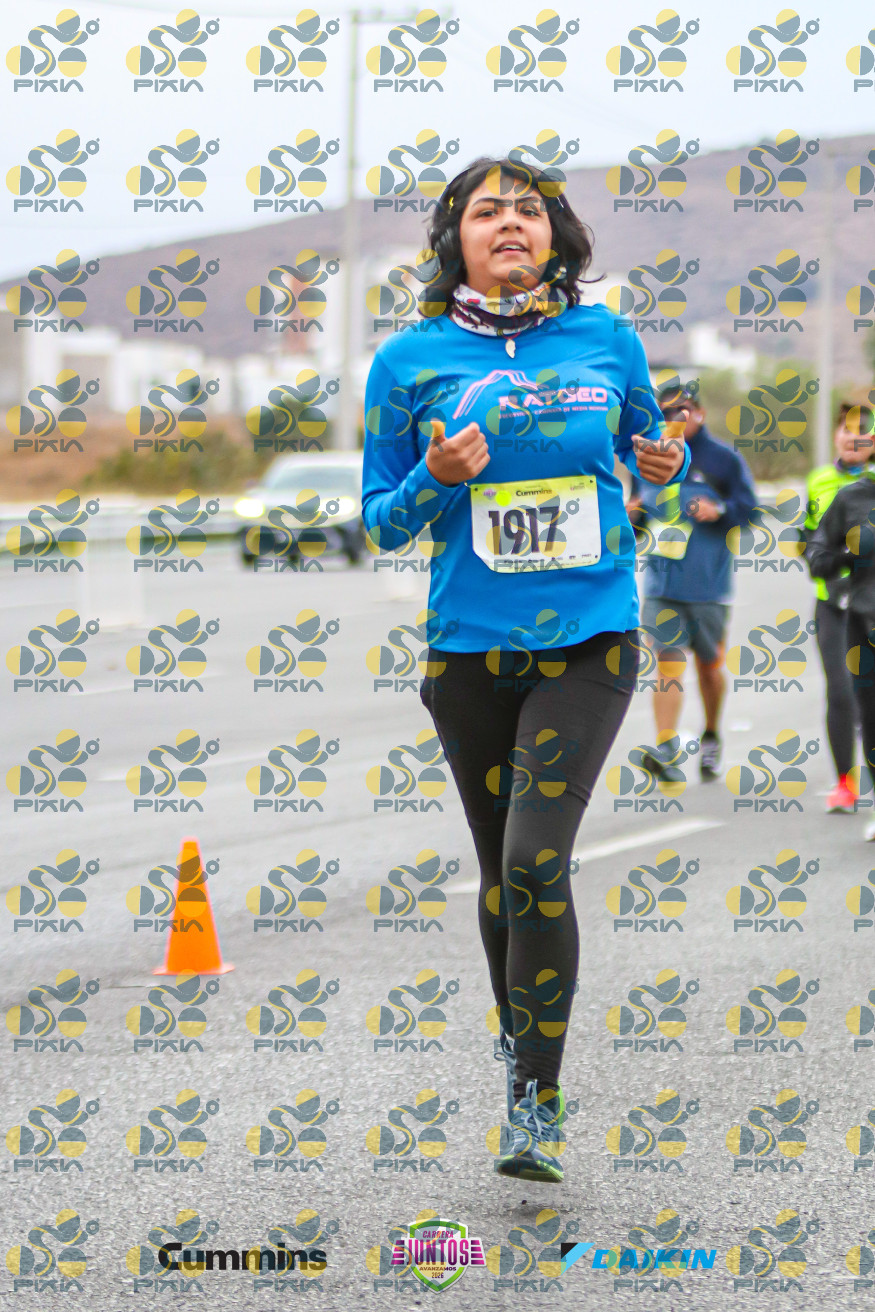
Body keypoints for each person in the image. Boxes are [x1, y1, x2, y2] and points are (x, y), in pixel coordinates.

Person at [361, 155, 690, 1184]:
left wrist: (664, 465)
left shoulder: (607, 340)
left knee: (537, 860)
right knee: (504, 872)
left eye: (529, 210)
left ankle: (536, 1104)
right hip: (470, 650)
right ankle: (522, 1070)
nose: (510, 222)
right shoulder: (406, 362)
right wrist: (433, 475)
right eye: (485, 211)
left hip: (588, 639)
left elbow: (648, 453)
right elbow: (380, 522)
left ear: (557, 236)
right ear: (451, 238)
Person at [626, 386, 757, 782]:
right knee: (668, 663)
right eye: (666, 412)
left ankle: (712, 734)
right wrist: (632, 517)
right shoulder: (648, 458)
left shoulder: (723, 459)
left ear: (699, 412)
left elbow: (749, 510)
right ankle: (665, 748)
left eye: (681, 410)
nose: (674, 418)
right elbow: (637, 519)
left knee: (709, 668)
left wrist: (720, 511)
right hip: (661, 585)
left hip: (708, 587)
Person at [803, 401, 875, 812]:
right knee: (842, 692)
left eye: (861, 430)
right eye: (846, 429)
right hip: (833, 602)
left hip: (870, 601)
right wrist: (825, 560)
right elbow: (813, 537)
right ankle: (845, 783)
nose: (852, 438)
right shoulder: (820, 480)